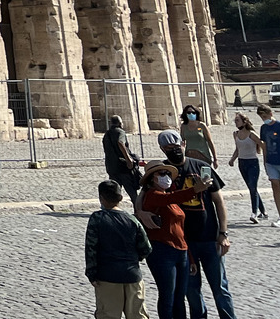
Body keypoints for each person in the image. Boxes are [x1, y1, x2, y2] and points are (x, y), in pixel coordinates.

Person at [152, 133, 236, 319]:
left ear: (183, 143)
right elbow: (146, 194)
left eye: (176, 145)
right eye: (168, 149)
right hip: (184, 243)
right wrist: (141, 211)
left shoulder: (201, 166)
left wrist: (223, 232)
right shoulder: (163, 173)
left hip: (209, 238)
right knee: (192, 291)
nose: (174, 150)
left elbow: (219, 201)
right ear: (162, 150)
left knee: (220, 287)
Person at [135, 160, 210, 319]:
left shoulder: (168, 197)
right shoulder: (152, 196)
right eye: (161, 174)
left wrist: (189, 257)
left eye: (168, 174)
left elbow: (180, 231)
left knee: (179, 298)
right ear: (152, 178)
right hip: (162, 251)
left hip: (180, 252)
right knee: (167, 297)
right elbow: (175, 197)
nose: (166, 177)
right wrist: (195, 189)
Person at [85, 179, 151, 319]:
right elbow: (146, 248)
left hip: (107, 276)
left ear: (101, 198)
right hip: (133, 276)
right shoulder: (132, 220)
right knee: (138, 315)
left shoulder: (97, 218)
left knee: (108, 315)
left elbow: (91, 248)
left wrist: (91, 272)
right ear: (120, 198)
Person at [227, 115, 266, 223]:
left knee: (253, 187)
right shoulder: (236, 134)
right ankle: (263, 211)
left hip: (252, 162)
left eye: (238, 121)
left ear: (244, 122)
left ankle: (254, 213)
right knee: (251, 187)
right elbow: (238, 149)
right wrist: (232, 159)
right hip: (242, 163)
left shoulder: (251, 134)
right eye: (235, 121)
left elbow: (262, 144)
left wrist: (266, 157)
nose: (236, 123)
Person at [104, 116, 142, 202]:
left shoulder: (107, 134)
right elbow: (120, 142)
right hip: (122, 167)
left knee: (114, 192)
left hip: (111, 167)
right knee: (132, 192)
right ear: (120, 123)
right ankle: (138, 211)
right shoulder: (120, 132)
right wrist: (129, 159)